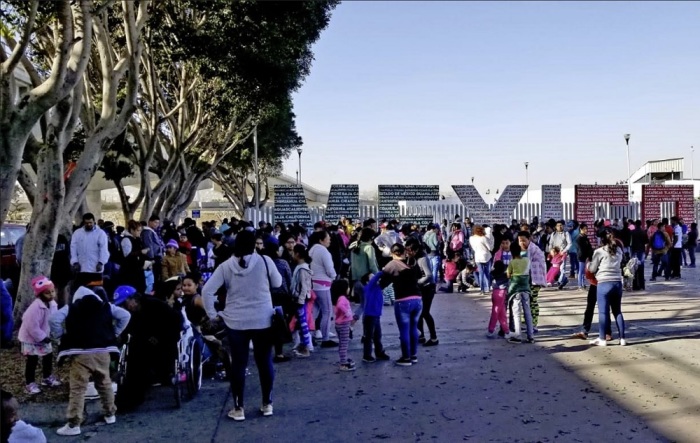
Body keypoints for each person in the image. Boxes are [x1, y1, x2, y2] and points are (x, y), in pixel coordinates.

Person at [202, 230, 282, 421]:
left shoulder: (226, 266)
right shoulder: (265, 261)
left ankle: (239, 408)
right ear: (254, 244)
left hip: (235, 321)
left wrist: (213, 315)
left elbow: (207, 291)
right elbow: (277, 283)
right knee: (264, 362)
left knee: (238, 364)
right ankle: (267, 404)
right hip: (263, 319)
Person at [50, 286, 131, 436]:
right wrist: (114, 333)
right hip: (103, 350)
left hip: (80, 353)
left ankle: (74, 424)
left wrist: (60, 336)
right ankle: (110, 414)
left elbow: (53, 319)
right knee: (104, 383)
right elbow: (125, 315)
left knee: (78, 388)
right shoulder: (106, 306)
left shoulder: (71, 308)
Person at [380, 243, 422, 367]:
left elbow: (382, 283)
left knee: (404, 330)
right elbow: (419, 275)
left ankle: (406, 357)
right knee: (413, 328)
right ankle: (413, 355)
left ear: (392, 253)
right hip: (418, 299)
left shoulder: (392, 264)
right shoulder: (411, 262)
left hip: (403, 300)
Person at [18, 276, 60, 395]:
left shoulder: (52, 304)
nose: (51, 294)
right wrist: (42, 337)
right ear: (40, 294)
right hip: (30, 338)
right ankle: (29, 383)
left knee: (48, 356)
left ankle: (47, 377)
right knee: (32, 360)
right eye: (47, 293)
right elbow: (31, 325)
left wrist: (53, 333)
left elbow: (54, 319)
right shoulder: (35, 308)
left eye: (52, 291)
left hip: (44, 336)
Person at [587, 229, 627, 347]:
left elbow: (592, 269)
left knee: (603, 312)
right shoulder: (619, 250)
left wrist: (589, 264)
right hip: (617, 283)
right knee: (617, 311)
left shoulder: (599, 251)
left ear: (602, 239)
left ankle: (602, 338)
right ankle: (622, 338)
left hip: (604, 283)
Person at [405, 238, 438, 346]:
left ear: (416, 250)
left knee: (425, 313)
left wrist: (418, 282)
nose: (408, 252)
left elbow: (429, 275)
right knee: (418, 312)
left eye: (410, 250)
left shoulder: (423, 259)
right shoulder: (413, 258)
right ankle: (421, 335)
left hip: (428, 287)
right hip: (420, 288)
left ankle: (434, 338)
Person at [308, 230, 338, 348]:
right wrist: (333, 276)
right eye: (328, 238)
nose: (329, 239)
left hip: (313, 283)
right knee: (327, 311)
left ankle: (309, 336)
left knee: (314, 311)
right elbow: (329, 269)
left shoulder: (312, 250)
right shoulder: (323, 251)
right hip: (323, 285)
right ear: (321, 240)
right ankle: (325, 338)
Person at [516, 231, 547, 331]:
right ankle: (525, 322)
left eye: (524, 240)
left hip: (534, 280)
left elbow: (541, 264)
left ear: (529, 239)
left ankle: (534, 324)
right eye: (520, 241)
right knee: (524, 302)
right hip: (523, 280)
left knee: (532, 301)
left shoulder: (534, 249)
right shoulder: (517, 250)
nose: (522, 243)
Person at [505, 241, 534, 344]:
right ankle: (531, 335)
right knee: (527, 312)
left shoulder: (512, 262)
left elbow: (508, 275)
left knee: (516, 313)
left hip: (515, 289)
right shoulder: (527, 260)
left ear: (512, 253)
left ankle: (518, 335)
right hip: (526, 288)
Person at [70, 213, 110, 287]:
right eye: (86, 223)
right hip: (82, 268)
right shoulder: (77, 233)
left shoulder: (100, 233)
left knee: (96, 291)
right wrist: (75, 262)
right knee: (81, 291)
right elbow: (73, 249)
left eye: (90, 222)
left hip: (96, 269)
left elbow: (104, 249)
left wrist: (101, 262)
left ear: (94, 222)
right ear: (83, 222)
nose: (88, 224)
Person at [359, 272, 390, 363]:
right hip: (369, 316)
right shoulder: (368, 287)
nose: (374, 276)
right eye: (371, 276)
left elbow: (385, 281)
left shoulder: (377, 287)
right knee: (369, 337)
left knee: (377, 336)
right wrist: (383, 271)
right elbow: (375, 278)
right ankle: (367, 355)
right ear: (367, 280)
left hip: (376, 315)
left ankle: (379, 352)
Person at [290, 244, 313, 358]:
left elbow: (304, 286)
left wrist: (300, 299)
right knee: (301, 323)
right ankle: (305, 346)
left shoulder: (302, 268)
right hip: (300, 298)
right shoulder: (302, 267)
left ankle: (306, 347)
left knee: (303, 324)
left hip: (300, 299)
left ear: (297, 254)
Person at [331, 279, 356, 371]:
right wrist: (347, 313)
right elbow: (341, 306)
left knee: (342, 343)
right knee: (344, 344)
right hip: (344, 324)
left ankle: (343, 359)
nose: (349, 288)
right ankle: (343, 363)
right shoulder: (342, 298)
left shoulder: (338, 298)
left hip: (339, 323)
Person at [120, 220, 149, 294]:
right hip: (129, 271)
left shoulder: (137, 239)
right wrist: (140, 252)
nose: (139, 232)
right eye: (138, 230)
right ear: (132, 230)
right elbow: (127, 255)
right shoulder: (126, 240)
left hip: (137, 269)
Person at [487, 261, 510, 339]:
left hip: (494, 293)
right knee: (498, 313)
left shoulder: (493, 274)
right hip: (502, 294)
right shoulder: (505, 276)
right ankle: (492, 330)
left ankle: (506, 331)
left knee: (500, 313)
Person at [469, 225, 494, 294]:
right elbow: (490, 248)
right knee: (487, 273)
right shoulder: (483, 238)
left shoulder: (471, 238)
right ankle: (487, 288)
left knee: (481, 273)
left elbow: (473, 248)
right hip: (486, 256)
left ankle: (482, 289)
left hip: (477, 256)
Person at [142, 216, 165, 283]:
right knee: (153, 277)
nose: (157, 224)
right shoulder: (147, 232)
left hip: (157, 257)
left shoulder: (152, 231)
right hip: (153, 258)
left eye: (158, 223)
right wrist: (151, 258)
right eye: (155, 222)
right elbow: (148, 245)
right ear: (150, 222)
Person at [576, 224, 594, 290]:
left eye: (586, 229)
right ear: (580, 229)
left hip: (586, 256)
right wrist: (586, 256)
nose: (586, 230)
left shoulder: (585, 237)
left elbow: (589, 247)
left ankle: (583, 284)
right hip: (581, 257)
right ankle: (580, 285)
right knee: (581, 271)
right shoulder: (579, 238)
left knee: (584, 271)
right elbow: (581, 249)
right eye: (584, 229)